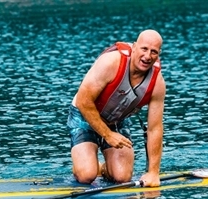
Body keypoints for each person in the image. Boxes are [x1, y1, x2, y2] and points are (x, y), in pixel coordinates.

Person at [67, 29, 165, 187]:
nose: (147, 56)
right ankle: (86, 166)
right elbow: (83, 101)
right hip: (84, 114)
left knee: (122, 177)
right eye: (144, 49)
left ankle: (103, 168)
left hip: (116, 120)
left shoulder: (158, 84)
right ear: (134, 47)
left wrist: (153, 172)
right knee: (86, 175)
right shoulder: (111, 62)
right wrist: (107, 135)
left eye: (153, 52)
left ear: (158, 54)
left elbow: (155, 128)